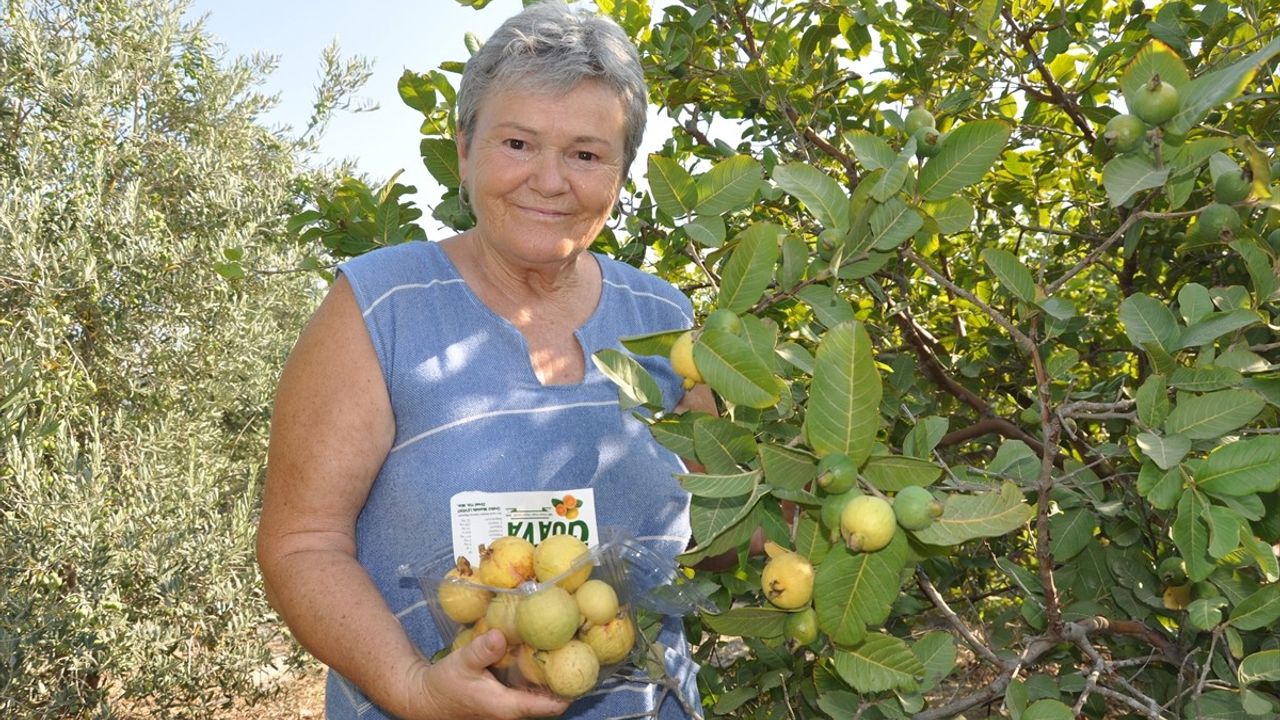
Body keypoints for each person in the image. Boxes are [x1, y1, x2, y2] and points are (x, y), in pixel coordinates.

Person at [256, 2, 716, 718]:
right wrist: (414, 688)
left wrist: (798, 498)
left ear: (621, 173)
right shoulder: (380, 307)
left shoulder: (664, 321)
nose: (550, 179)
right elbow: (302, 544)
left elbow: (713, 526)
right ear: (464, 150)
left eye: (587, 153)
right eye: (518, 143)